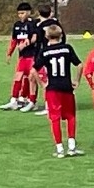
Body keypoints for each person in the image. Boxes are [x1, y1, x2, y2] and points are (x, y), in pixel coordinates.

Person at [36, 23, 83, 158]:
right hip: (66, 86)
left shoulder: (44, 51)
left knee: (55, 118)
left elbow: (34, 70)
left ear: (46, 36)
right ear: (61, 35)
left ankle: (59, 148)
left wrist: (42, 84)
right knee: (70, 116)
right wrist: (77, 80)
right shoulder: (67, 48)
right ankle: (72, 147)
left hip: (52, 88)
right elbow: (80, 65)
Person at [1, 2, 38, 111]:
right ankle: (14, 100)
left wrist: (25, 44)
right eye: (19, 13)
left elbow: (35, 38)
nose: (20, 15)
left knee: (30, 78)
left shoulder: (32, 24)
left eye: (23, 13)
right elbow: (14, 40)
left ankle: (31, 100)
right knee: (18, 77)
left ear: (28, 12)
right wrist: (9, 53)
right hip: (22, 56)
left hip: (32, 55)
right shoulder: (17, 25)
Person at [30, 4, 60, 116]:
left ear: (39, 13)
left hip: (45, 55)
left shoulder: (40, 26)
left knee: (46, 81)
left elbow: (36, 41)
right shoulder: (56, 23)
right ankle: (57, 103)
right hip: (58, 54)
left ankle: (49, 106)